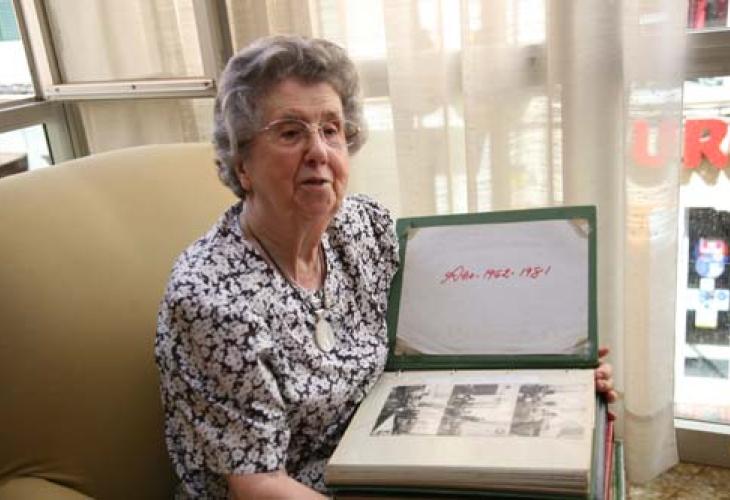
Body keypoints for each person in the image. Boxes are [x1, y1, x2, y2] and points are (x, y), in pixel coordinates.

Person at [155, 35, 617, 500]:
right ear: (242, 163)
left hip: (385, 463)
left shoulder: (361, 228)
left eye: (331, 129)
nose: (319, 151)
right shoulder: (212, 300)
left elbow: (440, 340)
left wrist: (557, 372)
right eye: (291, 132)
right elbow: (257, 486)